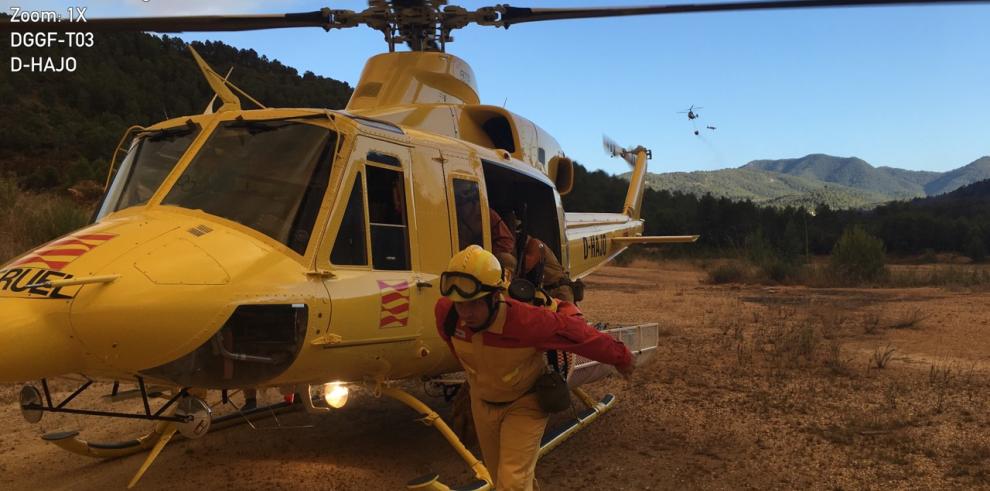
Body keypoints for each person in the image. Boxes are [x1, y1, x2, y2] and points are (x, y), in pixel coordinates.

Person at [436, 245, 634, 490]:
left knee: (512, 484)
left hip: (525, 403)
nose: (465, 313)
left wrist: (621, 356)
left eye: (474, 303)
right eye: (459, 304)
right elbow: (456, 346)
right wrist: (472, 381)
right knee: (501, 480)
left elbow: (579, 335)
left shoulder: (526, 321)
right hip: (483, 403)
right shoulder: (446, 314)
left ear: (494, 295)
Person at [503, 211, 574, 302]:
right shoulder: (521, 248)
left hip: (559, 291)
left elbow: (524, 267)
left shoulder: (534, 244)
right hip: (546, 291)